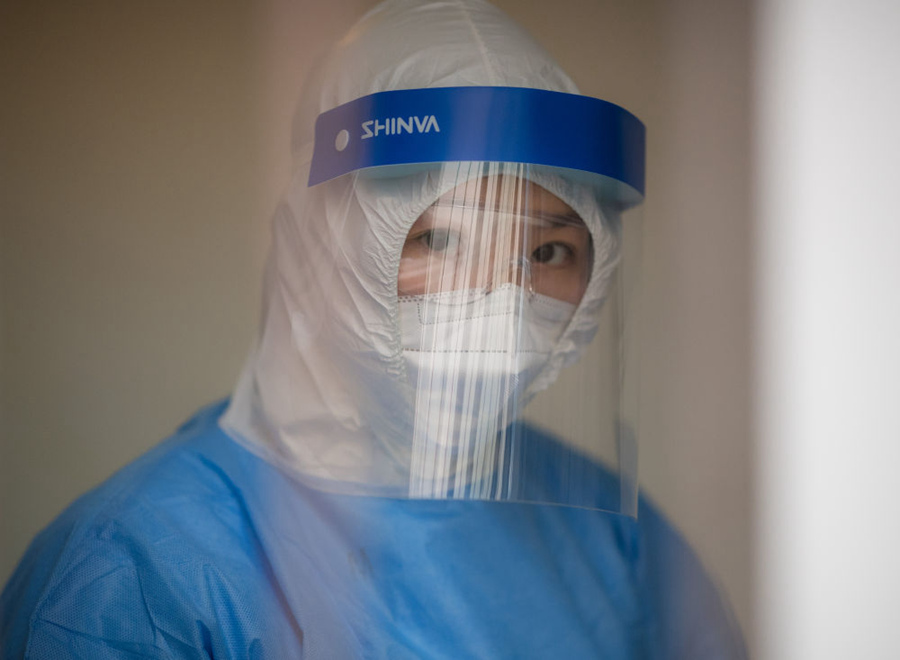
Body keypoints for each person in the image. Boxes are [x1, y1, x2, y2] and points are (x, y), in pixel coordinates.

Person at [1, 1, 746, 657]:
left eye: (547, 252)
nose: (501, 301)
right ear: (319, 247)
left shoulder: (618, 539)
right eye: (441, 240)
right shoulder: (133, 572)